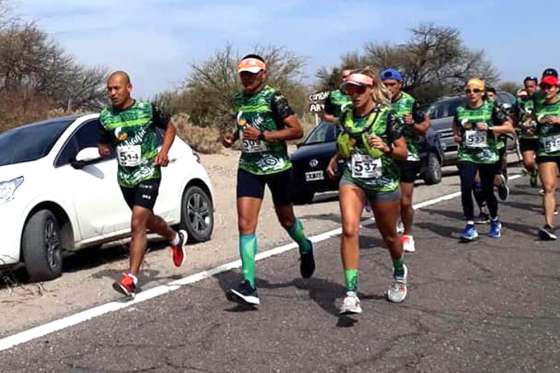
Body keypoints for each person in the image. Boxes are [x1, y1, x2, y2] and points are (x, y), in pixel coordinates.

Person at [222, 54, 315, 306]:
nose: (248, 78)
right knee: (245, 224)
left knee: (286, 219)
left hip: (277, 167)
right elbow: (240, 125)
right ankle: (249, 285)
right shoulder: (239, 99)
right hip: (249, 167)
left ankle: (305, 246)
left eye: (253, 73)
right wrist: (231, 138)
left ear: (264, 74)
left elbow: (296, 130)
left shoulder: (275, 98)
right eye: (244, 74)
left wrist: (264, 135)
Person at [326, 67, 409, 314]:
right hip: (353, 178)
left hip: (383, 182)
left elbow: (403, 152)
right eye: (350, 90)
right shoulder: (347, 114)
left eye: (359, 89)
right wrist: (336, 157)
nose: (354, 94)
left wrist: (385, 148)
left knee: (390, 236)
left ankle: (399, 270)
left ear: (371, 89)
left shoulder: (388, 116)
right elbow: (348, 142)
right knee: (349, 229)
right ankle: (351, 294)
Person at [98, 71, 187, 298]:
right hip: (125, 178)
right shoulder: (106, 116)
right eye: (109, 89)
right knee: (147, 220)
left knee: (137, 221)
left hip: (149, 173)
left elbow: (170, 127)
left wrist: (163, 152)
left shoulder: (147, 109)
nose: (112, 93)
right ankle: (175, 238)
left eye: (117, 88)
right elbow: (104, 140)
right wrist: (103, 147)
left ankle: (131, 279)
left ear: (129, 88)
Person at [453, 78, 514, 241]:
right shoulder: (460, 110)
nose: (471, 94)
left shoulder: (492, 108)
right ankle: (470, 224)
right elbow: (456, 127)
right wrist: (457, 136)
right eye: (468, 91)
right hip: (467, 154)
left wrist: (490, 128)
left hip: (487, 155)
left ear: (482, 92)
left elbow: (510, 127)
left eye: (476, 91)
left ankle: (494, 220)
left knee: (487, 190)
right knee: (466, 186)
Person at [380, 68, 430, 253]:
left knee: (405, 201)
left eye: (392, 85)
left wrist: (413, 125)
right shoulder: (378, 103)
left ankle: (408, 234)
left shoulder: (410, 102)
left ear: (400, 84)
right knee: (387, 199)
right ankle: (392, 232)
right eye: (384, 85)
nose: (388, 88)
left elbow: (425, 126)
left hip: (409, 154)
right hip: (386, 155)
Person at [534, 74, 560, 240]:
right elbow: (534, 124)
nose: (546, 90)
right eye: (543, 87)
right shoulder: (540, 106)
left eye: (550, 87)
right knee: (549, 187)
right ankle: (548, 225)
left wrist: (558, 120)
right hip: (546, 150)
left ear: (557, 88)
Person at [485, 86, 510, 201]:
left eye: (490, 96)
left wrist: (497, 131)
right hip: (482, 144)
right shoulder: (477, 109)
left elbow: (507, 124)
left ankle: (501, 180)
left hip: (498, 140)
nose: (488, 98)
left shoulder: (498, 108)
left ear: (495, 96)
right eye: (486, 96)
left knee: (498, 163)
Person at [516, 76, 540, 187]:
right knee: (528, 163)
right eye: (527, 86)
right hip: (526, 136)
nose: (529, 89)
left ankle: (547, 187)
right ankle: (534, 171)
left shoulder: (542, 99)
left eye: (531, 86)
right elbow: (514, 116)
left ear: (536, 86)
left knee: (546, 163)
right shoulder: (520, 101)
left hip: (540, 136)